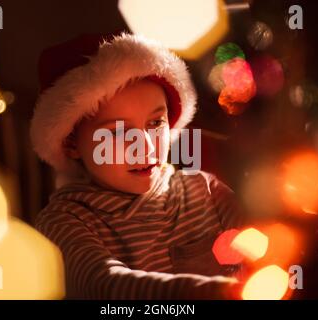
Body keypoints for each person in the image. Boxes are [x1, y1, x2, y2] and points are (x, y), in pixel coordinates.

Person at [30, 32, 245, 299]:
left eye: (155, 123)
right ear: (72, 143)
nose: (145, 146)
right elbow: (105, 286)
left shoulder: (205, 190)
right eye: (119, 132)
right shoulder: (64, 221)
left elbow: (265, 241)